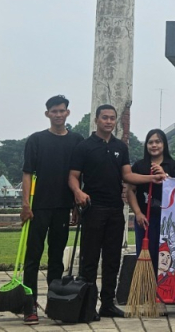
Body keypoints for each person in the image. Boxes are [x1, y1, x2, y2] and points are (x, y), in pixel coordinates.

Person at [68, 104, 165, 318]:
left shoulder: (121, 146)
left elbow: (127, 176)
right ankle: (87, 305)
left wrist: (152, 178)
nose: (109, 121)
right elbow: (73, 176)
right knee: (90, 259)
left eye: (112, 118)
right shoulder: (84, 147)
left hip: (115, 210)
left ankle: (107, 304)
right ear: (96, 120)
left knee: (112, 259)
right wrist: (78, 192)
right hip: (93, 208)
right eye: (105, 117)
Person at [19, 95, 84, 325]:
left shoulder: (76, 140)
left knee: (57, 259)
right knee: (32, 257)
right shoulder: (36, 140)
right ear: (47, 114)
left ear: (68, 112)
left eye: (61, 110)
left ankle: (55, 303)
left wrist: (75, 205)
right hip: (38, 208)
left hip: (62, 207)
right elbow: (27, 173)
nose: (58, 114)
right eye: (54, 111)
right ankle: (29, 305)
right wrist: (25, 204)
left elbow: (78, 175)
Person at [126, 129, 175, 273]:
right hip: (145, 219)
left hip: (167, 220)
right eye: (150, 142)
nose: (154, 145)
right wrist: (138, 213)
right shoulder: (139, 166)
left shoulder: (173, 166)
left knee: (165, 257)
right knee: (145, 254)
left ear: (164, 144)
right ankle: (146, 285)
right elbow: (130, 190)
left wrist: (165, 176)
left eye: (158, 142)